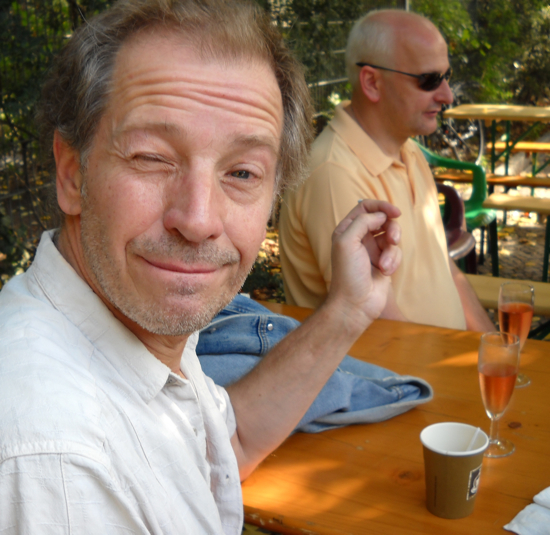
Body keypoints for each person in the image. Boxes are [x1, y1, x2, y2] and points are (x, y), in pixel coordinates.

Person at [0, 1, 403, 533]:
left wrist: (347, 310)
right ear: (73, 174)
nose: (198, 219)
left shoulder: (133, 325)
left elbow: (225, 448)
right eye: (151, 157)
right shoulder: (59, 464)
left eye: (242, 172)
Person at [279, 9, 495, 332]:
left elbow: (445, 269)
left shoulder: (408, 149)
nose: (447, 95)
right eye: (429, 80)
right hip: (400, 366)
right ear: (372, 83)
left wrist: (495, 347)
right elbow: (383, 332)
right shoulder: (333, 173)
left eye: (446, 77)